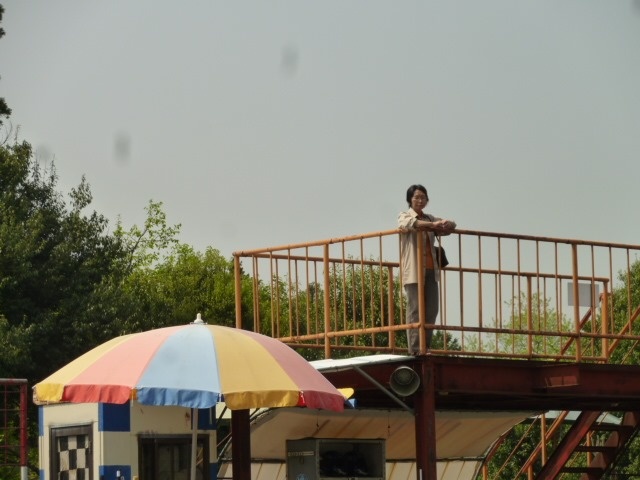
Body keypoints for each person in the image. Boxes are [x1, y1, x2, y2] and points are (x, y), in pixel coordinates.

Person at [398, 184, 457, 354]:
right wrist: (433, 225)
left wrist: (446, 223)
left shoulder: (430, 218)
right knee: (415, 310)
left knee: (431, 310)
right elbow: (411, 223)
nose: (420, 200)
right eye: (416, 197)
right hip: (414, 271)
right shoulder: (404, 215)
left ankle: (426, 347)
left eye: (423, 197)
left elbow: (451, 227)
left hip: (431, 270)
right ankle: (416, 349)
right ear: (410, 200)